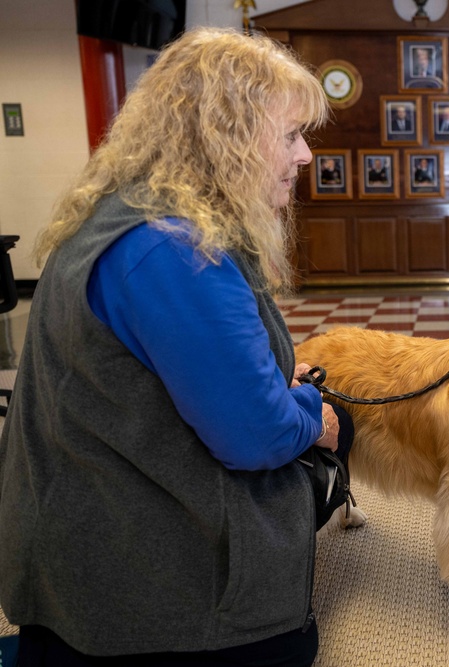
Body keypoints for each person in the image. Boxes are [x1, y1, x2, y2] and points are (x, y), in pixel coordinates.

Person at [0, 27, 351, 665]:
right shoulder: (179, 249)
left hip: (77, 530)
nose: (304, 157)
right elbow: (258, 439)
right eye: (291, 135)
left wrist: (269, 375)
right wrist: (311, 413)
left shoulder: (128, 214)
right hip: (136, 579)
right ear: (226, 138)